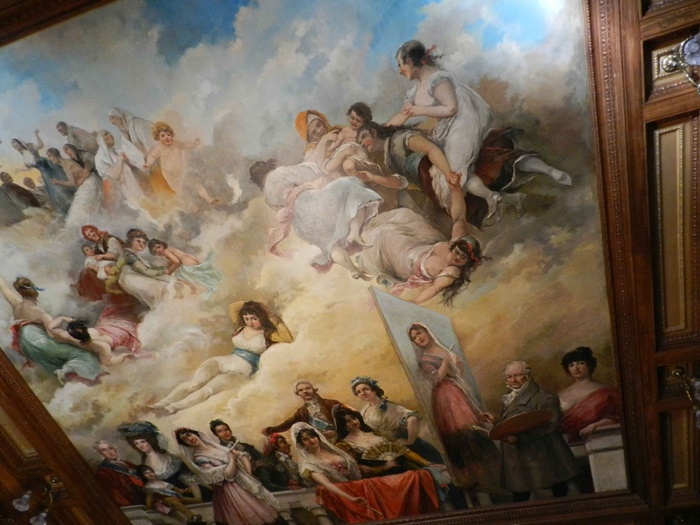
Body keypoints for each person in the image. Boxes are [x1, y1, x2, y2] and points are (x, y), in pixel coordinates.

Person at [387, 40, 571, 220]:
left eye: (400, 65)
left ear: (409, 61)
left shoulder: (438, 79)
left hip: (463, 123)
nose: (400, 71)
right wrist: (381, 130)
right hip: (444, 129)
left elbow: (451, 108)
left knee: (454, 176)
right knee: (451, 171)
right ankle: (499, 196)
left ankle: (496, 196)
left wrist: (419, 110)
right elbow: (403, 114)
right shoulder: (415, 90)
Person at [250, 155, 381, 278]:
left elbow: (282, 211)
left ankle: (353, 270)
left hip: (302, 222)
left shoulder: (267, 196)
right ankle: (354, 233)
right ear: (266, 166)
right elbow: (309, 174)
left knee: (331, 245)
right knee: (350, 184)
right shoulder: (278, 173)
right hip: (311, 201)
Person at [408, 323, 500, 495]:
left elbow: (458, 374)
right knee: (461, 433)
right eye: (414, 338)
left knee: (475, 430)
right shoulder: (424, 359)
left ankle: (491, 473)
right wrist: (445, 361)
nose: (418, 338)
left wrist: (456, 363)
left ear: (427, 331)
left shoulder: (442, 349)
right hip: (445, 397)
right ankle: (474, 477)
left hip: (457, 392)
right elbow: (436, 379)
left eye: (419, 333)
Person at [356, 183, 485, 305]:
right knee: (404, 215)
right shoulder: (457, 241)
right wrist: (455, 189)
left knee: (384, 235)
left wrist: (416, 301)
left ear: (468, 261)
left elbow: (435, 288)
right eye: (457, 252)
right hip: (422, 244)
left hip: (406, 262)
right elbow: (459, 217)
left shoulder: (451, 270)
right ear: (454, 246)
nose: (457, 257)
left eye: (463, 257)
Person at [152, 301, 293, 412]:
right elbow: (234, 306)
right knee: (194, 383)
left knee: (208, 389)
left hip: (241, 372)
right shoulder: (240, 327)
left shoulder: (268, 334)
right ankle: (163, 403)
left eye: (254, 318)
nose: (250, 322)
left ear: (261, 317)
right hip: (223, 361)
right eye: (247, 318)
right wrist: (255, 305)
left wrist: (269, 314)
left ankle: (174, 407)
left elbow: (288, 338)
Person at [292, 422, 440, 523]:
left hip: (362, 486)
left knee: (406, 480)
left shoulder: (335, 451)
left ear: (317, 436)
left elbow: (355, 469)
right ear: (301, 444)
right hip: (346, 494)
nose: (311, 440)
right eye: (305, 439)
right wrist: (351, 498)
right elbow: (327, 484)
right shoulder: (308, 464)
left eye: (312, 436)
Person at [484, 361, 580, 502]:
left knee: (557, 495)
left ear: (528, 376)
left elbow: (549, 425)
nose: (513, 380)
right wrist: (496, 421)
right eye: (509, 377)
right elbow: (512, 422)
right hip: (519, 458)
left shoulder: (545, 398)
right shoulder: (509, 397)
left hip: (541, 456)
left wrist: (518, 438)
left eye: (518, 375)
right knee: (521, 495)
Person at [0, 275, 105, 384]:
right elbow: (56, 335)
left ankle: (66, 375)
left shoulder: (16, 304)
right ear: (35, 293)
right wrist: (85, 345)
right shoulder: (40, 313)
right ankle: (80, 376)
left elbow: (4, 288)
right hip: (40, 344)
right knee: (82, 354)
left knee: (59, 358)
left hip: (25, 345)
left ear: (19, 292)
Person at [175, 427, 284, 525]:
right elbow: (227, 475)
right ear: (185, 444)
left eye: (189, 435)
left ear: (195, 433)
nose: (190, 439)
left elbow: (242, 456)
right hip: (230, 492)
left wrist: (249, 475)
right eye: (185, 439)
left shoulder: (215, 446)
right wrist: (232, 459)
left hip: (243, 485)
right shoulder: (199, 458)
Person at [351, 376, 443, 464]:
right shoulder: (364, 409)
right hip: (391, 450)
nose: (363, 393)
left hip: (411, 448)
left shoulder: (387, 406)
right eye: (358, 392)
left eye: (365, 389)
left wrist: (410, 441)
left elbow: (413, 419)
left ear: (374, 390)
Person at [117, 421, 205, 501]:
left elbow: (191, 480)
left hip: (191, 495)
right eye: (136, 443)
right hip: (171, 501)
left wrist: (197, 498)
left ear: (150, 441)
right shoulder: (143, 466)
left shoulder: (171, 458)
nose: (140, 445)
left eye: (143, 442)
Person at [559, 346, 621, 442]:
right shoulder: (562, 394)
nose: (576, 368)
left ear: (590, 365)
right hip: (571, 442)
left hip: (600, 438)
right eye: (571, 365)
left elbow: (616, 417)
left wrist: (594, 425)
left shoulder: (606, 391)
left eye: (581, 363)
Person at [11, 133, 75, 215]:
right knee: (54, 190)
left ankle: (73, 199)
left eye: (14, 143)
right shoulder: (24, 157)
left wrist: (36, 134)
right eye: (13, 146)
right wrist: (19, 170)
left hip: (50, 166)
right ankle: (68, 208)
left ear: (19, 142)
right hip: (45, 173)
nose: (14, 146)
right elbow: (28, 167)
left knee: (61, 181)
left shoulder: (30, 147)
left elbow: (41, 145)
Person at [109, 229, 172, 309]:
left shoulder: (135, 255)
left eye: (144, 243)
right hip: (130, 279)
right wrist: (164, 271)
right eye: (138, 241)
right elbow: (145, 270)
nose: (142, 244)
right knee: (163, 287)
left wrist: (164, 267)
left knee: (167, 284)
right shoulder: (128, 254)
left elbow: (150, 267)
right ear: (131, 241)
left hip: (135, 277)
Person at [263, 380, 341, 441]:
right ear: (298, 394)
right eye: (300, 390)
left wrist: (336, 432)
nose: (305, 391)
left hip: (340, 438)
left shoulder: (331, 403)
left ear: (313, 389)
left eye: (308, 388)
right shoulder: (301, 413)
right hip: (322, 442)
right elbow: (287, 424)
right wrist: (270, 430)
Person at [46, 147, 103, 227]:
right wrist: (58, 182)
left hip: (89, 182)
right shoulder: (64, 165)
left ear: (54, 155)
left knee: (81, 206)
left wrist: (80, 181)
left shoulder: (69, 163)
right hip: (84, 184)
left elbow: (86, 173)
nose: (49, 159)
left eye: (49, 156)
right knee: (78, 209)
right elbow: (73, 183)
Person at [147, 238, 223, 297]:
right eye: (155, 252)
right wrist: (167, 267)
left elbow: (177, 262)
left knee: (179, 277)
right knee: (198, 276)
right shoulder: (168, 251)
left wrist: (169, 271)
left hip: (187, 262)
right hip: (190, 259)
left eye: (158, 247)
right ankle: (194, 289)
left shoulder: (166, 252)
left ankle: (190, 289)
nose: (158, 251)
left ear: (162, 245)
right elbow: (172, 261)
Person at [95, 130, 149, 213]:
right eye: (106, 135)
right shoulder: (99, 157)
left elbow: (133, 160)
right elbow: (111, 176)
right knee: (136, 207)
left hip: (131, 183)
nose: (110, 135)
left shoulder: (116, 152)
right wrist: (120, 160)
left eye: (110, 133)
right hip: (119, 189)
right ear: (101, 140)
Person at [47, 316, 135, 367]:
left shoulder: (71, 338)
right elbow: (108, 363)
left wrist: (62, 318)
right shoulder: (101, 345)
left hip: (109, 332)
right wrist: (124, 356)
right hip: (115, 334)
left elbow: (51, 328)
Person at [136, 465, 203, 524]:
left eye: (151, 472)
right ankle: (192, 517)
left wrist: (187, 490)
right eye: (146, 473)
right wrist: (148, 507)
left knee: (197, 500)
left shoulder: (163, 483)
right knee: (177, 504)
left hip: (178, 498)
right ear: (143, 476)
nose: (150, 474)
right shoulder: (148, 487)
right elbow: (149, 499)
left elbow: (179, 491)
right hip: (167, 501)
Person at [93, 440, 144, 507]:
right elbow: (114, 494)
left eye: (110, 448)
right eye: (104, 450)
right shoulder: (103, 472)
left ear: (114, 449)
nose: (110, 452)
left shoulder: (129, 464)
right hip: (133, 505)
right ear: (100, 453)